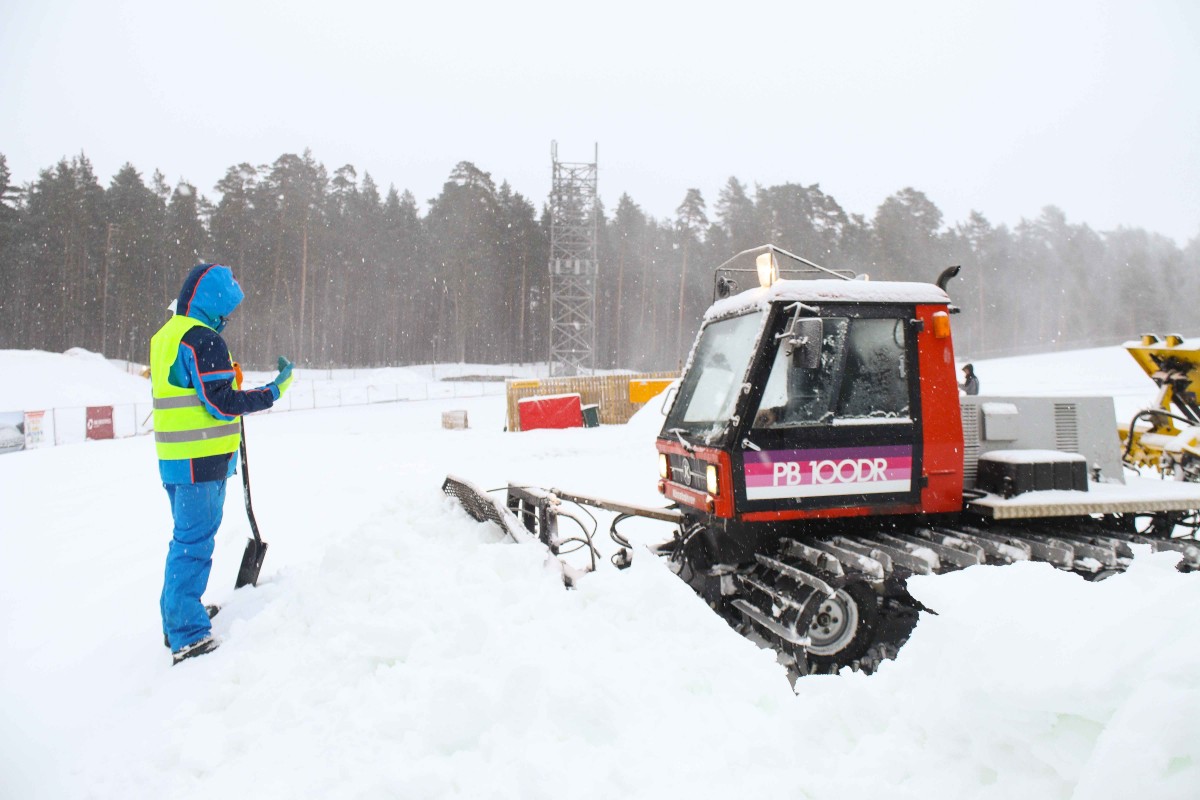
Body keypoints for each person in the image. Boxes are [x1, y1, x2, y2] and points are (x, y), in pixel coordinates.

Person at [150, 263, 294, 664]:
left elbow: (192, 391)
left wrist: (224, 379)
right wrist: (273, 390)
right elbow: (221, 404)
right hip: (200, 462)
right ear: (211, 304)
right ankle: (188, 635)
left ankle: (177, 617)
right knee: (194, 544)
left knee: (185, 540)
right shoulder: (203, 339)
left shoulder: (168, 335)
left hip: (176, 460)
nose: (227, 320)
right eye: (224, 311)